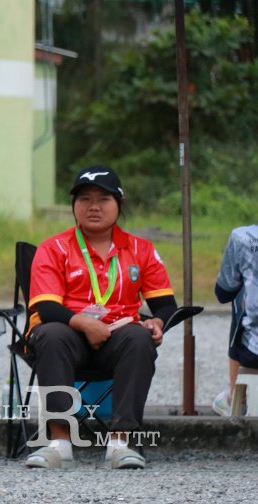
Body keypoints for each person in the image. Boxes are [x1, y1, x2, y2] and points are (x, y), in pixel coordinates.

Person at [25, 165, 178, 470]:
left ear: (119, 204)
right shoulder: (53, 248)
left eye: (103, 199)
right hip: (66, 337)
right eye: (85, 199)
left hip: (117, 339)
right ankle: (59, 443)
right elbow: (48, 308)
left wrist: (157, 322)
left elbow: (165, 305)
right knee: (51, 333)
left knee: (139, 337)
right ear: (74, 205)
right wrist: (86, 323)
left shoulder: (141, 249)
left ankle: (120, 444)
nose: (93, 206)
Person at [211, 224, 258, 416]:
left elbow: (224, 292)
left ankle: (236, 397)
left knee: (241, 297)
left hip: (254, 351)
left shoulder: (244, 237)